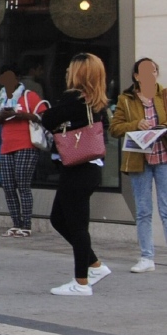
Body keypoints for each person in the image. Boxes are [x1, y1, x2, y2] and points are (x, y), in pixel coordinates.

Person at [40, 53, 113, 296]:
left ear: (79, 73)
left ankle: (81, 282)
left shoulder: (75, 98)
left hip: (78, 168)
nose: (66, 72)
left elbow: (48, 119)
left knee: (77, 226)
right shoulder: (97, 101)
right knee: (59, 218)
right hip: (88, 167)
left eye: (71, 69)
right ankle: (95, 265)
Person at [110, 57, 167, 273]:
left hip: (163, 158)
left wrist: (161, 127)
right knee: (143, 210)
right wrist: (136, 124)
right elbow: (114, 128)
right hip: (138, 160)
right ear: (136, 76)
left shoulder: (164, 94)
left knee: (166, 209)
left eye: (153, 71)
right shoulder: (125, 99)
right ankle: (146, 257)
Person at [0, 64, 46, 237]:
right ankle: (16, 224)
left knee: (23, 184)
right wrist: (3, 115)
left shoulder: (29, 96)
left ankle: (26, 225)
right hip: (7, 146)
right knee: (8, 186)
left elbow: (42, 116)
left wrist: (20, 114)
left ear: (17, 78)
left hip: (26, 144)